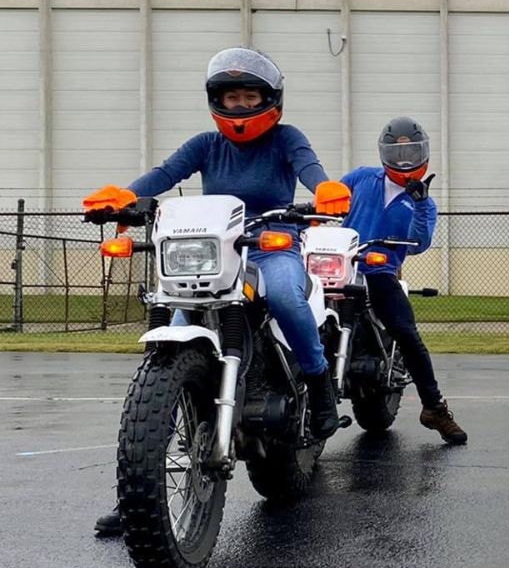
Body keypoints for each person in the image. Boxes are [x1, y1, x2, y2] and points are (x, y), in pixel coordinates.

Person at [91, 46, 351, 537]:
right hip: (217, 248)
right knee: (178, 327)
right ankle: (138, 499)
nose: (238, 105)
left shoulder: (286, 139)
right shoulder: (206, 145)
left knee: (283, 294)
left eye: (249, 95)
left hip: (273, 243)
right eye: (230, 96)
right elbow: (164, 175)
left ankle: (318, 384)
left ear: (269, 99)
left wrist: (325, 190)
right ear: (216, 100)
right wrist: (124, 198)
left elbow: (310, 170)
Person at [340, 116, 467, 445]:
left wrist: (422, 203)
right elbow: (332, 203)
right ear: (384, 154)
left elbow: (420, 242)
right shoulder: (361, 178)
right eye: (397, 154)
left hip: (379, 271)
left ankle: (434, 408)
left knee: (408, 335)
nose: (404, 160)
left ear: (423, 153)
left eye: (411, 152)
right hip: (340, 265)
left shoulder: (423, 201)